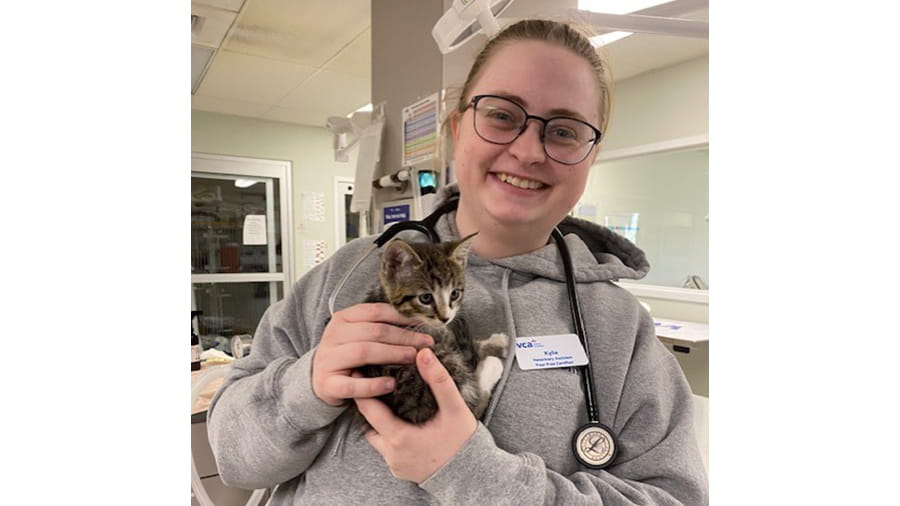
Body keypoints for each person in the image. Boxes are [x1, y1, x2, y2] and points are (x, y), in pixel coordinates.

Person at [207, 19, 709, 505]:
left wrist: (475, 475)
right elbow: (234, 460)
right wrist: (306, 385)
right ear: (456, 128)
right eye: (502, 115)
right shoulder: (345, 277)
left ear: (590, 157)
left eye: (564, 131)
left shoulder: (620, 331)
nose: (529, 150)